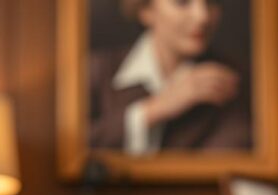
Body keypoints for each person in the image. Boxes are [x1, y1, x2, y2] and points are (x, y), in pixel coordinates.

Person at [89, 0, 252, 154]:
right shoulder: (97, 70)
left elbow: (230, 157)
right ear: (146, 10)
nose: (203, 16)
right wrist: (150, 112)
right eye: (182, 1)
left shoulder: (232, 80)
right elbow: (74, 148)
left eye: (211, 1)